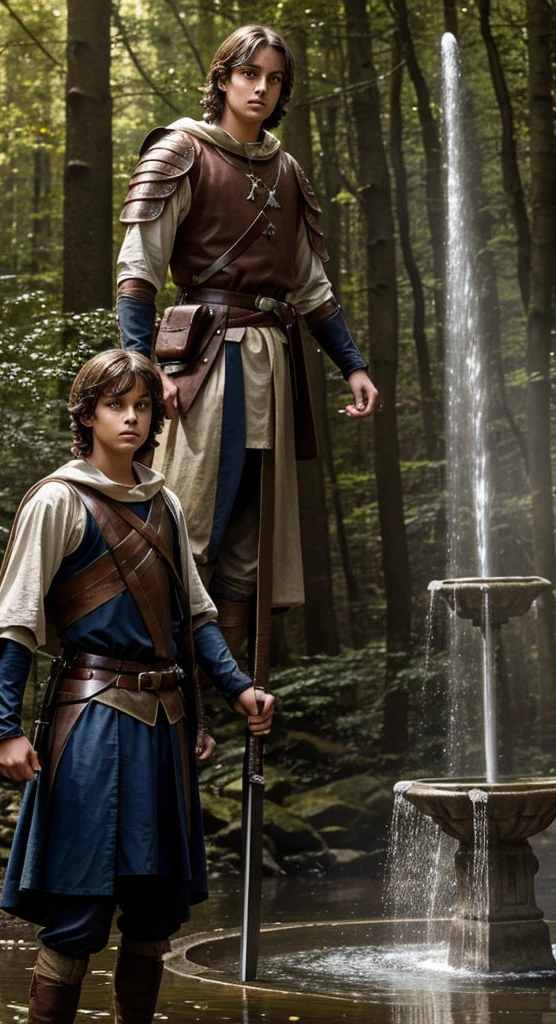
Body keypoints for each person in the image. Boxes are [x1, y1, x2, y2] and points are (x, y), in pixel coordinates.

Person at [0, 348, 274, 1024]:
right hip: (88, 724)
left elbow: (195, 616)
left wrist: (237, 690)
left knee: (154, 913)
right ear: (86, 415)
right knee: (79, 910)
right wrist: (4, 727)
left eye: (142, 406)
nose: (132, 418)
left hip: (163, 727)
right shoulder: (58, 499)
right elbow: (17, 622)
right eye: (117, 405)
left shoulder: (165, 501)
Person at [116, 24, 379, 655]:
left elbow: (312, 289)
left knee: (249, 548)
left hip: (273, 365)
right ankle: (179, 704)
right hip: (201, 363)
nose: (261, 87)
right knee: (190, 526)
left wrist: (353, 366)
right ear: (223, 78)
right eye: (248, 73)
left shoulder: (288, 171)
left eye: (274, 77)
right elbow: (138, 272)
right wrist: (147, 372)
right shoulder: (183, 152)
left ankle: (233, 702)